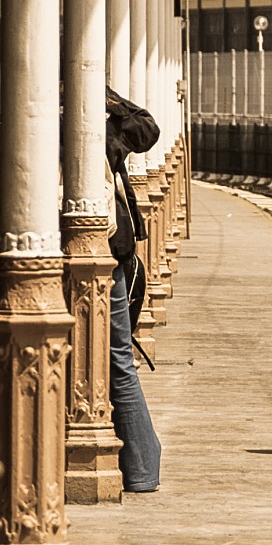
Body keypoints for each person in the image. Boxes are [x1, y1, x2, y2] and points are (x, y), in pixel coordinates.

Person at [104, 87, 162, 492]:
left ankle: (142, 465)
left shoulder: (68, 122)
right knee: (117, 356)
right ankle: (142, 463)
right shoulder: (101, 121)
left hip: (101, 248)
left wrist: (103, 100)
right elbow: (144, 130)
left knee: (115, 356)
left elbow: (148, 130)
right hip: (115, 247)